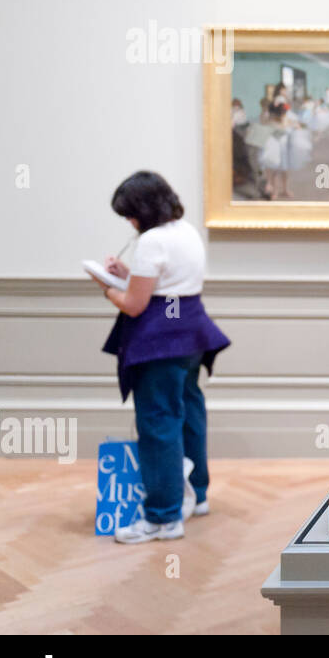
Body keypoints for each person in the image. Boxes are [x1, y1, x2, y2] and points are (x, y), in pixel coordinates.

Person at [93, 171, 230, 543]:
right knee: (188, 410)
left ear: (143, 209)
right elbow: (169, 286)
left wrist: (107, 288)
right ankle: (196, 495)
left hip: (159, 341)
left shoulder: (151, 240)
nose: (129, 222)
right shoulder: (186, 231)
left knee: (158, 423)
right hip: (190, 334)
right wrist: (128, 274)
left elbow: (135, 305)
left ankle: (163, 517)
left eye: (129, 214)